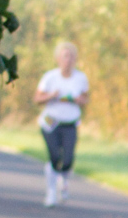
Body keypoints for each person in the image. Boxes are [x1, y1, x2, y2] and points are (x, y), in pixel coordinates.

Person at [33, 41, 90, 207]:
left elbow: (86, 99)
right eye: (65, 56)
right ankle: (51, 192)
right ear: (58, 58)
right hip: (51, 122)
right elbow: (37, 99)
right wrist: (51, 95)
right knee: (54, 156)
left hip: (70, 123)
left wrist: (80, 100)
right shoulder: (50, 77)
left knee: (68, 159)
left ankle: (63, 181)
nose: (69, 60)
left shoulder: (81, 78)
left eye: (72, 57)